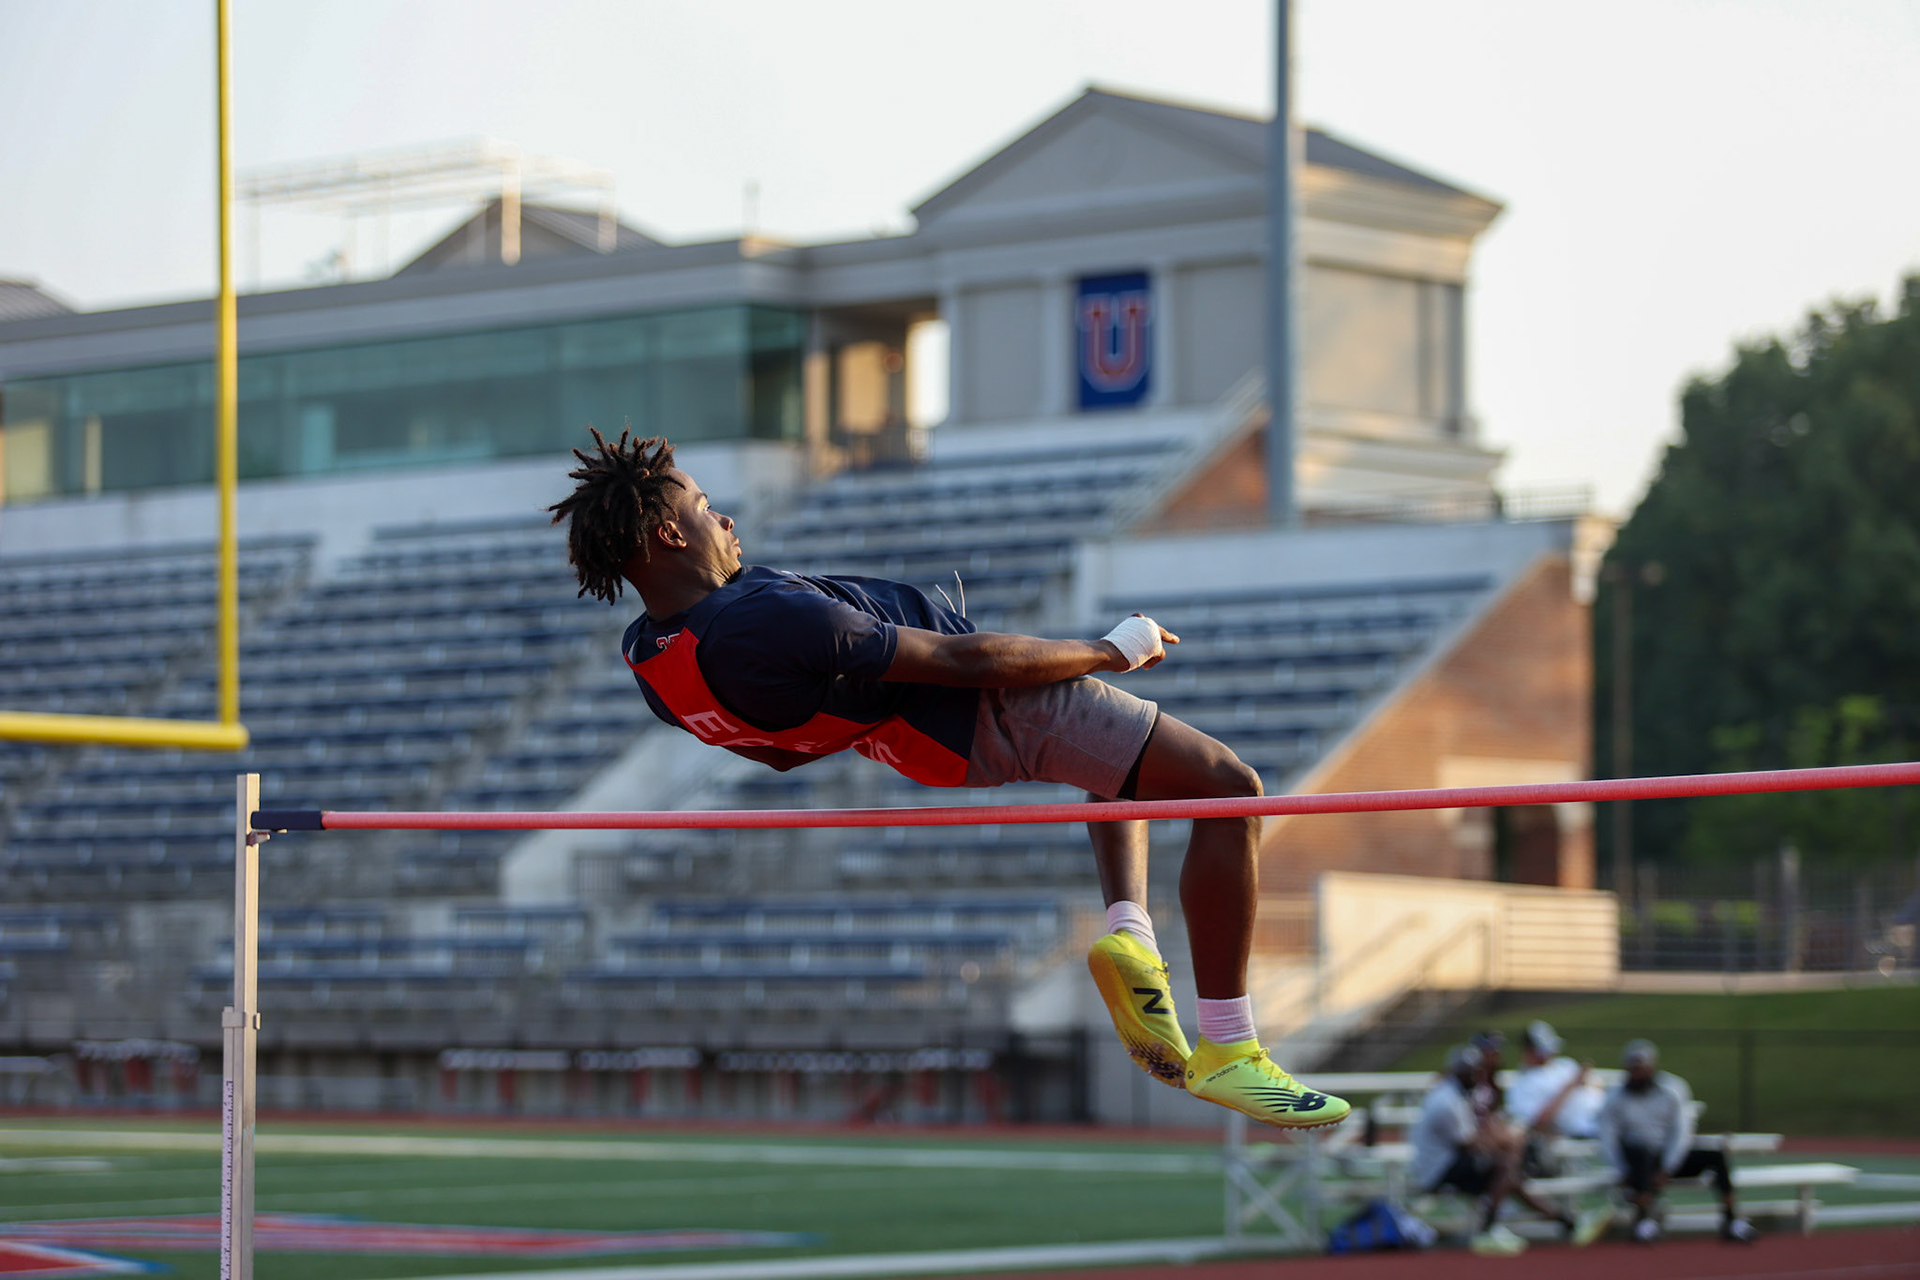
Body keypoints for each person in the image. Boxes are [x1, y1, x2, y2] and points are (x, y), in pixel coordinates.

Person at [546, 428, 1349, 1130]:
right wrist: (1112, 649)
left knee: (1124, 766)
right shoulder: (763, 618)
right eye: (704, 506)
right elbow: (963, 663)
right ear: (664, 533)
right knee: (1230, 787)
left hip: (918, 745)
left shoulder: (651, 659)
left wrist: (861, 714)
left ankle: (1132, 935)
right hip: (983, 708)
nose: (724, 519)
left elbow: (780, 751)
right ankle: (1231, 1045)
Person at [1410, 1045, 1606, 1256]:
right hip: (1438, 1169)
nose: (1478, 1076)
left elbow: (1481, 1132)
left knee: (1509, 1174)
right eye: (1473, 1071)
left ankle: (1566, 1222)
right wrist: (1511, 1143)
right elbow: (1471, 1143)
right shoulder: (1447, 1101)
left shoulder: (1457, 1094)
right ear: (1460, 1072)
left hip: (1448, 1161)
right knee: (1506, 1167)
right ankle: (1488, 1229)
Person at [1597, 1039, 1758, 1244]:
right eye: (1633, 1068)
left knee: (1716, 1156)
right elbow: (1608, 1138)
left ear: (1652, 1066)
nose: (1637, 1073)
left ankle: (1731, 1219)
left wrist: (1667, 1167)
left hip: (1669, 1156)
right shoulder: (1615, 1098)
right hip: (1637, 1159)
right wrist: (1621, 1170)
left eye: (1641, 1067)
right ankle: (1643, 1219)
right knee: (1641, 1153)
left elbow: (1681, 1133)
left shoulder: (1672, 1090)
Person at [1506, 1020, 1605, 1176]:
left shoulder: (1564, 1065)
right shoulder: (1522, 1085)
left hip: (1603, 1121)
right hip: (1578, 1134)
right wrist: (1570, 1085)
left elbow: (1595, 1086)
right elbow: (1539, 1122)